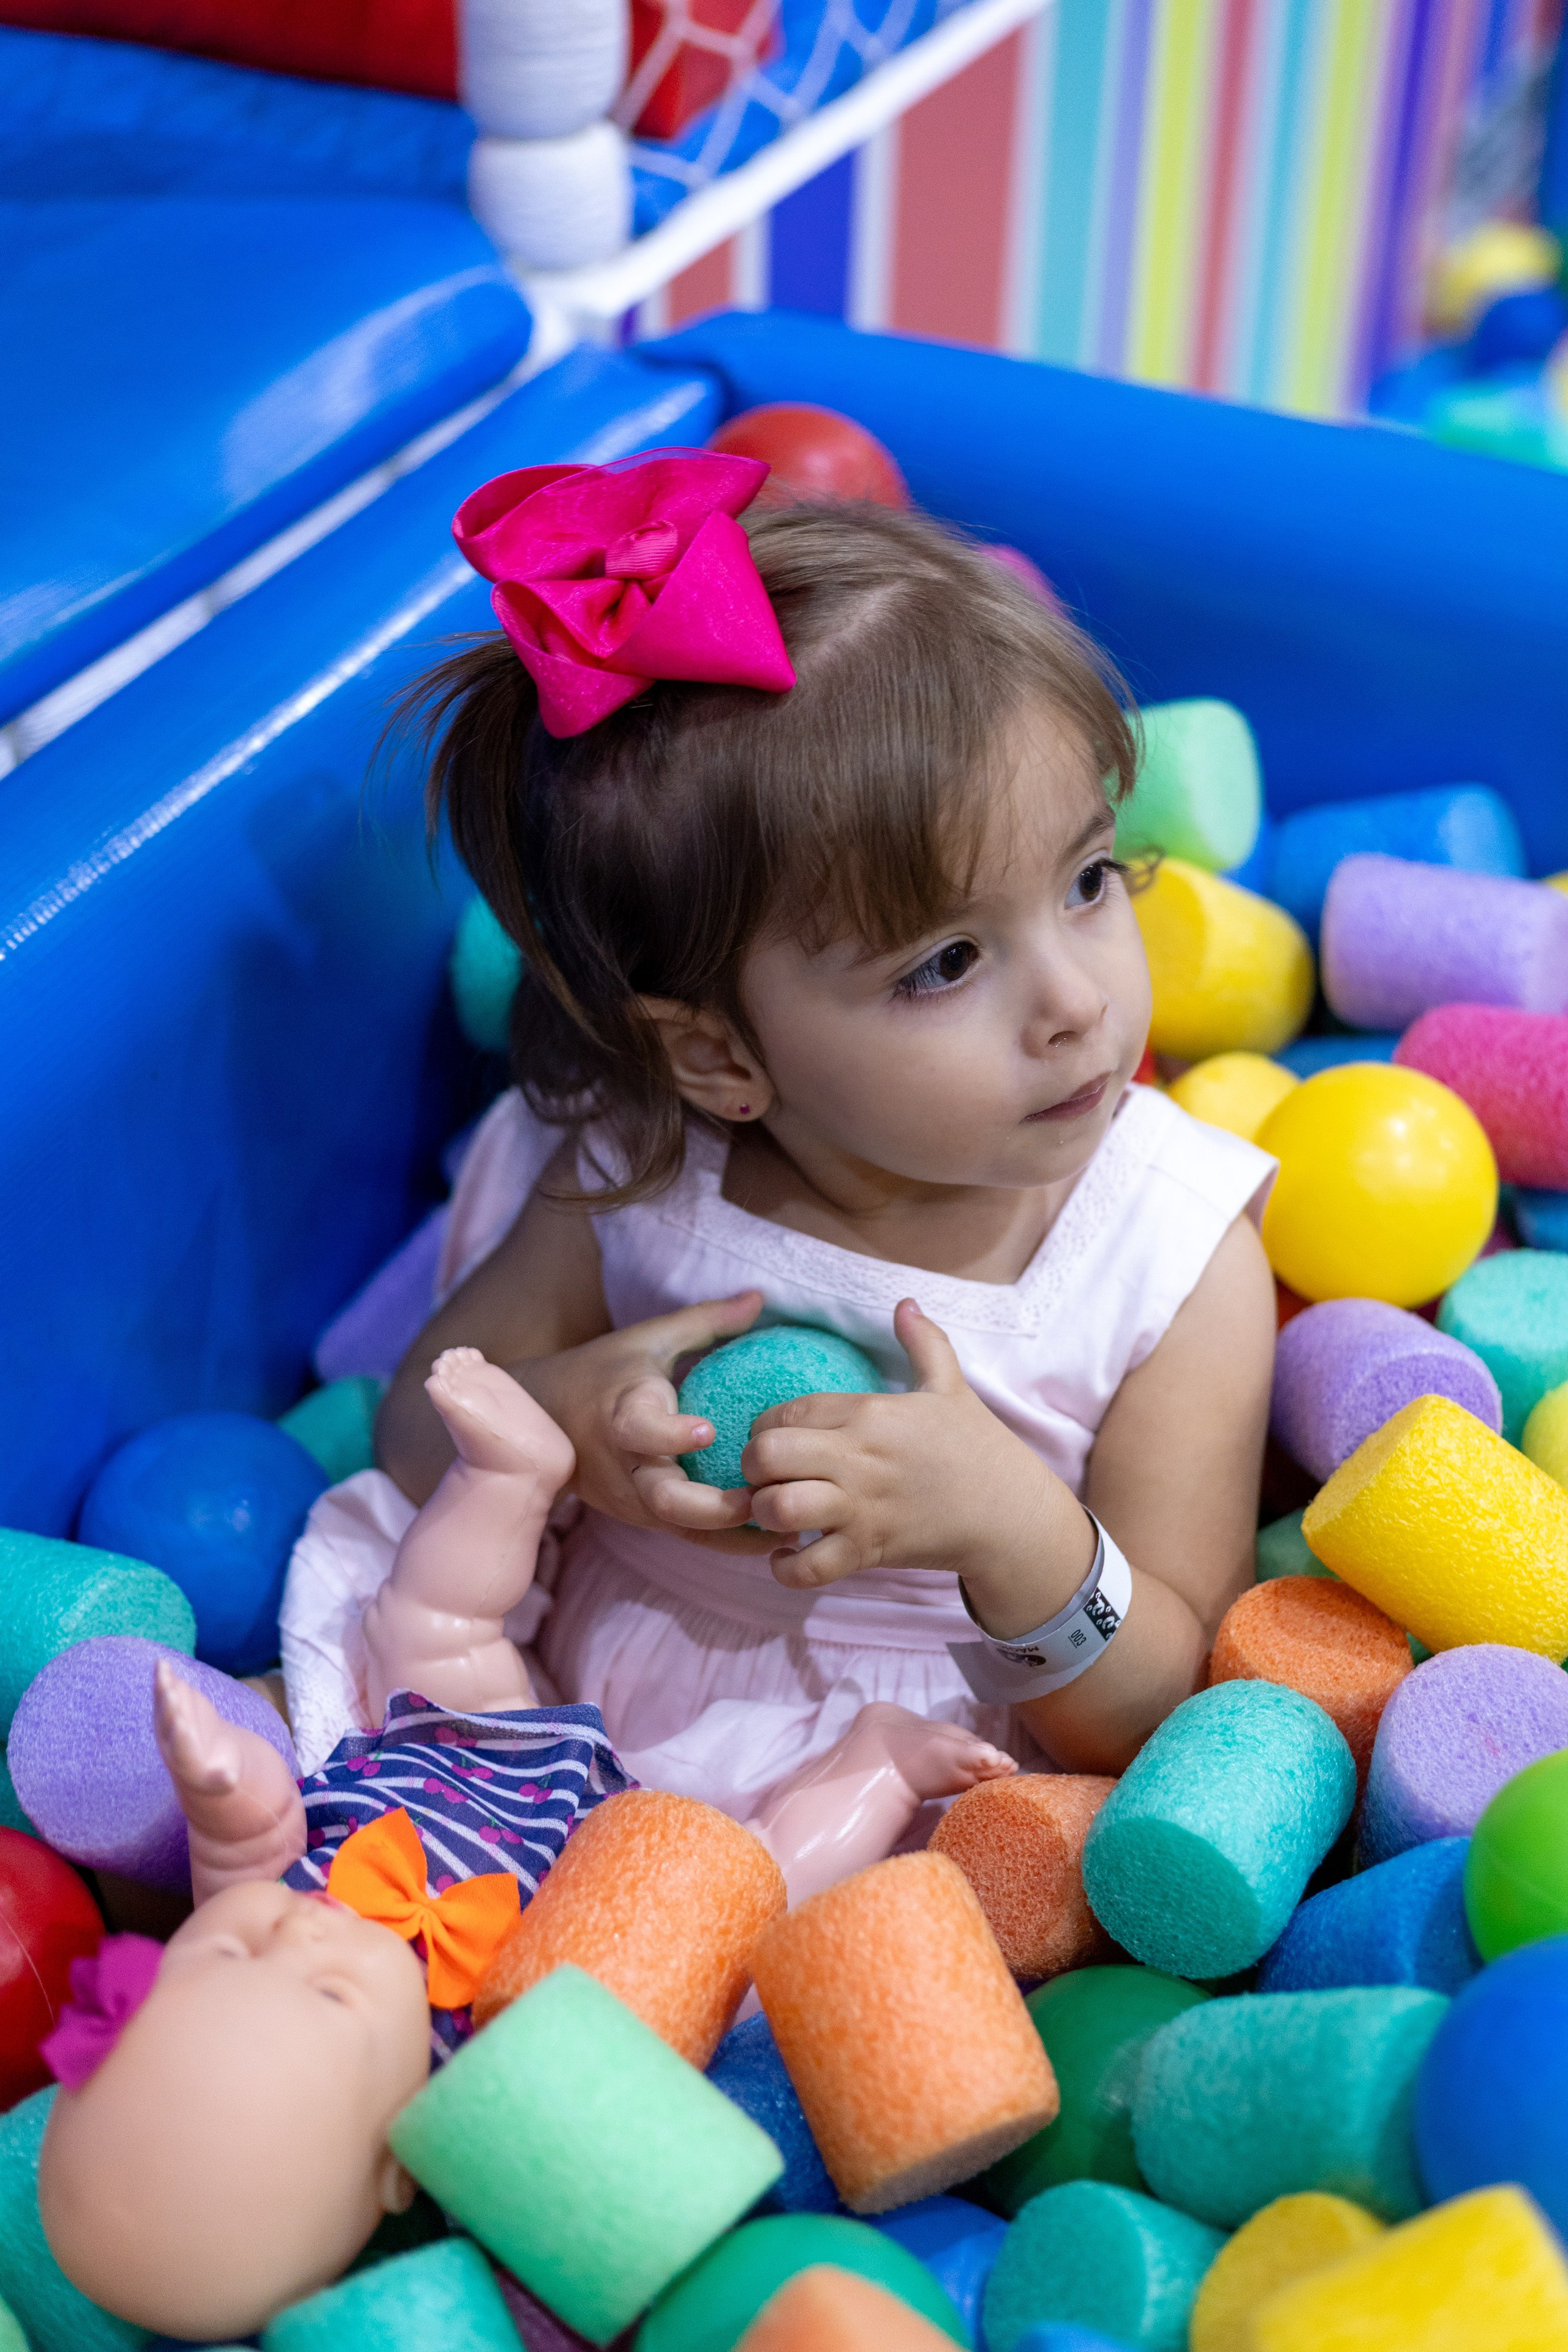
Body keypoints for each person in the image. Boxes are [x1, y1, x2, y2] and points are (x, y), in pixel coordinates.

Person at [284, 445, 1277, 1844]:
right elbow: (406, 1438)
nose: (1074, 1003)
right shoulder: (642, 1170)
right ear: (719, 1056)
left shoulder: (1167, 1258)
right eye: (943, 964)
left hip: (911, 1814)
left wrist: (1009, 1525)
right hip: (551, 1724)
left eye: (1088, 878)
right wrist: (567, 1423)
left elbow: (1165, 1707)